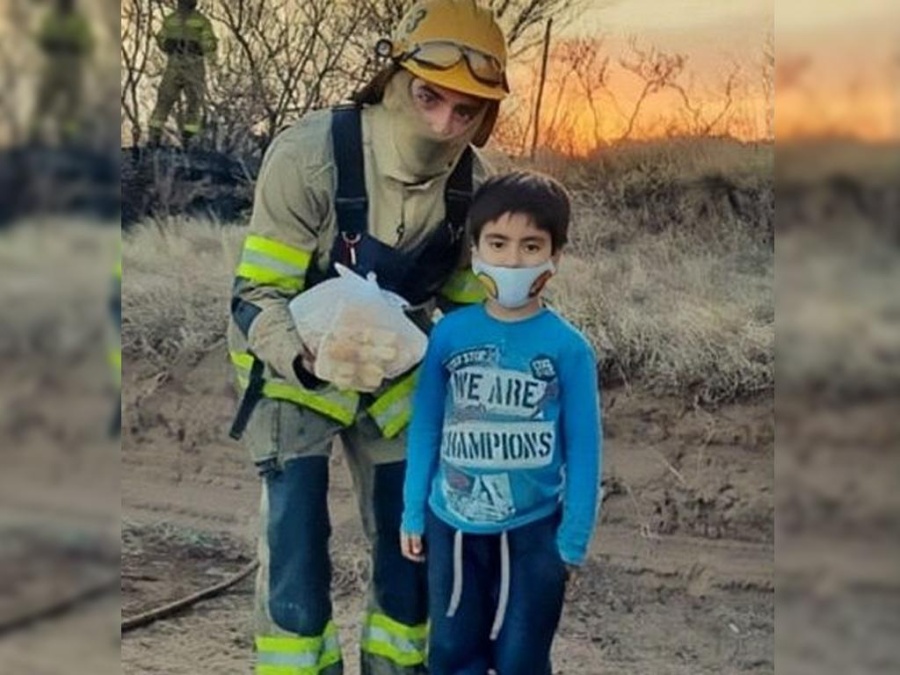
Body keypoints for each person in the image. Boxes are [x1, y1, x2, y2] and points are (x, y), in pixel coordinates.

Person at [225, 1, 510, 672]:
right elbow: (254, 295)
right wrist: (306, 355)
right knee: (295, 547)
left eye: (466, 110)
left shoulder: (476, 191)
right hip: (294, 366)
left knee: (408, 547)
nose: (443, 124)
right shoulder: (309, 156)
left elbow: (474, 322)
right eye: (429, 96)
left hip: (394, 377)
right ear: (392, 78)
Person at [400, 171, 603, 674]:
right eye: (498, 243)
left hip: (533, 531)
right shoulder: (450, 335)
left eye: (531, 246)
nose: (513, 260)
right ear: (475, 250)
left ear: (556, 256)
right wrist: (412, 512)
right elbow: (426, 425)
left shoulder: (568, 349)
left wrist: (572, 539)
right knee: (450, 652)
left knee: (520, 658)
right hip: (454, 525)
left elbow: (584, 450)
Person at [147, 0, 217, 148]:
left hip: (190, 65)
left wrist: (196, 46)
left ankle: (187, 139)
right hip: (179, 65)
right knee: (167, 99)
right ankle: (156, 137)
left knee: (192, 101)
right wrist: (168, 44)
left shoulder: (198, 20)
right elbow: (161, 38)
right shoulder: (175, 19)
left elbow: (210, 43)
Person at [31, 0, 94, 145]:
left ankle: (67, 133)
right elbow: (42, 39)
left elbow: (87, 43)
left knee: (73, 100)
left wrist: (75, 45)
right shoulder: (51, 20)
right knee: (45, 97)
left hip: (72, 62)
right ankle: (35, 130)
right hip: (54, 61)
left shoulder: (79, 22)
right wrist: (51, 42)